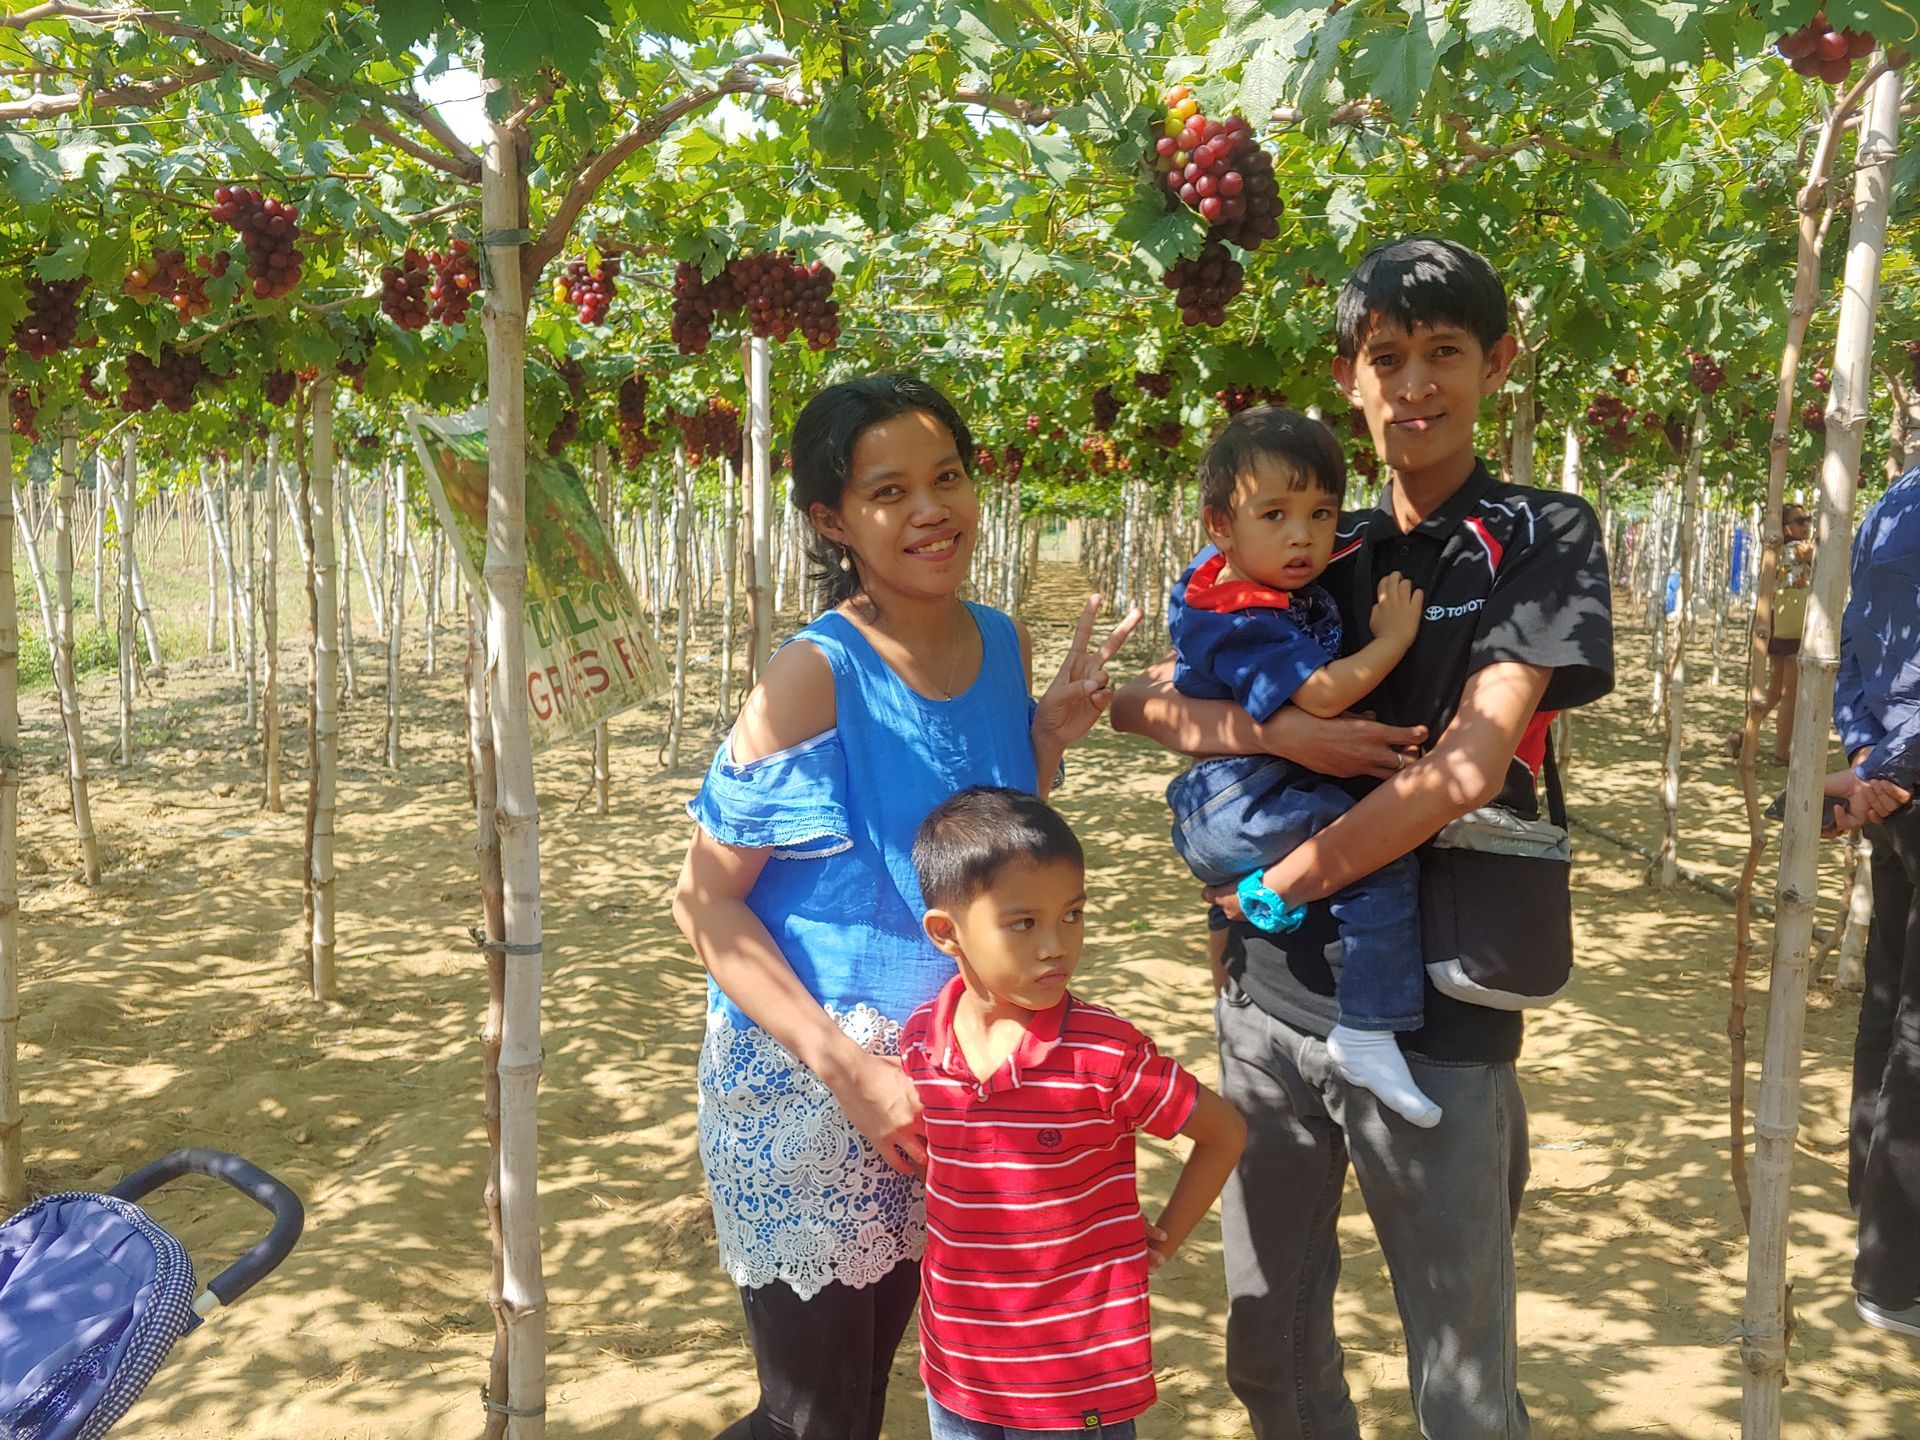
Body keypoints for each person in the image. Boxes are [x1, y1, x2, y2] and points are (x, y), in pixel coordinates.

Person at [1112, 236, 1614, 1439]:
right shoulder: (1308, 533)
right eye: (1388, 357)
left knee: (1461, 1380)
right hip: (1266, 1002)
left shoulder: (1535, 533)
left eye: (1446, 353)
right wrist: (1289, 740)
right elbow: (1146, 703)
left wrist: (1280, 879)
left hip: (1433, 1013)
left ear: (1500, 362)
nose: (1416, 384)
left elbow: (1463, 771)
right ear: (1350, 376)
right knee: (1270, 1346)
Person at [672, 374, 1140, 1440]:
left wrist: (1041, 745)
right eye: (891, 492)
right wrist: (852, 1072)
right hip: (818, 1081)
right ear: (835, 520)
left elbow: (971, 852)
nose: (932, 510)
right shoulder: (813, 674)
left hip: (959, 1076)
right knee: (816, 1414)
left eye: (949, 477)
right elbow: (703, 904)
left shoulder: (1000, 640)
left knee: (929, 1373)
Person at [901, 786, 1246, 1439]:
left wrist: (1164, 1238)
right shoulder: (921, 1039)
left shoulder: (1107, 1053)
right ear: (948, 934)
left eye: (1074, 914)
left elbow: (1223, 1132)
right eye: (1023, 922)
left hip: (1074, 1375)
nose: (1057, 945)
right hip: (958, 1366)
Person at [1164, 406, 1438, 1127]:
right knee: (1380, 851)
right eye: (1276, 514)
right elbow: (1318, 694)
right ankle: (1369, 1028)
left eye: (1322, 514)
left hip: (1221, 796)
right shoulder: (1245, 613)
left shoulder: (1213, 579)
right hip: (1240, 797)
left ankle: (1246, 904)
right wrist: (1392, 640)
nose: (1303, 535)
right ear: (1220, 524)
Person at [1826, 460, 1920, 1341]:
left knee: (1891, 999)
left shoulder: (1897, 497)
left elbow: (1858, 642)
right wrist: (1888, 769)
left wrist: (1867, 763)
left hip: (1891, 786)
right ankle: (1898, 1273)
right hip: (1906, 777)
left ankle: (1875, 1207)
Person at [1725, 502, 1815, 765]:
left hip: (1780, 622)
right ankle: (1781, 753)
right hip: (1793, 626)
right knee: (1790, 691)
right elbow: (1815, 552)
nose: (1806, 524)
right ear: (1787, 527)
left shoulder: (1776, 550)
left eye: (1808, 519)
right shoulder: (1794, 549)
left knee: (1775, 691)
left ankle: (1741, 735)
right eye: (1801, 521)